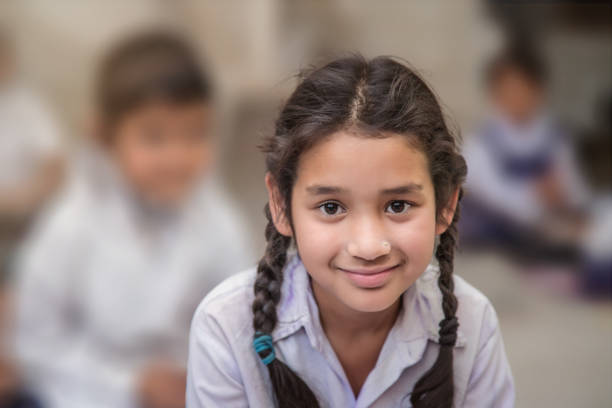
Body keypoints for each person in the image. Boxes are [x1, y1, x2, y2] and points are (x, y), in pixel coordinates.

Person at [186, 55, 514, 407]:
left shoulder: (473, 324)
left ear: (446, 204)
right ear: (281, 205)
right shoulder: (226, 326)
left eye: (398, 205)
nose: (369, 246)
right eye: (331, 208)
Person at [11, 31, 254, 408]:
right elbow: (36, 342)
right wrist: (131, 383)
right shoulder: (72, 224)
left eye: (195, 133)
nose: (177, 157)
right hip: (85, 390)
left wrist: (198, 373)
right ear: (105, 137)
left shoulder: (217, 222)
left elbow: (240, 320)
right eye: (154, 137)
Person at [460, 42, 589, 262]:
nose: (517, 97)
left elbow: (576, 189)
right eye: (509, 90)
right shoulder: (482, 143)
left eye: (524, 89)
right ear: (495, 95)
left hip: (553, 227)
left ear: (539, 91)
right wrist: (537, 198)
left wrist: (563, 196)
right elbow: (494, 196)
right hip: (502, 236)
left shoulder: (554, 139)